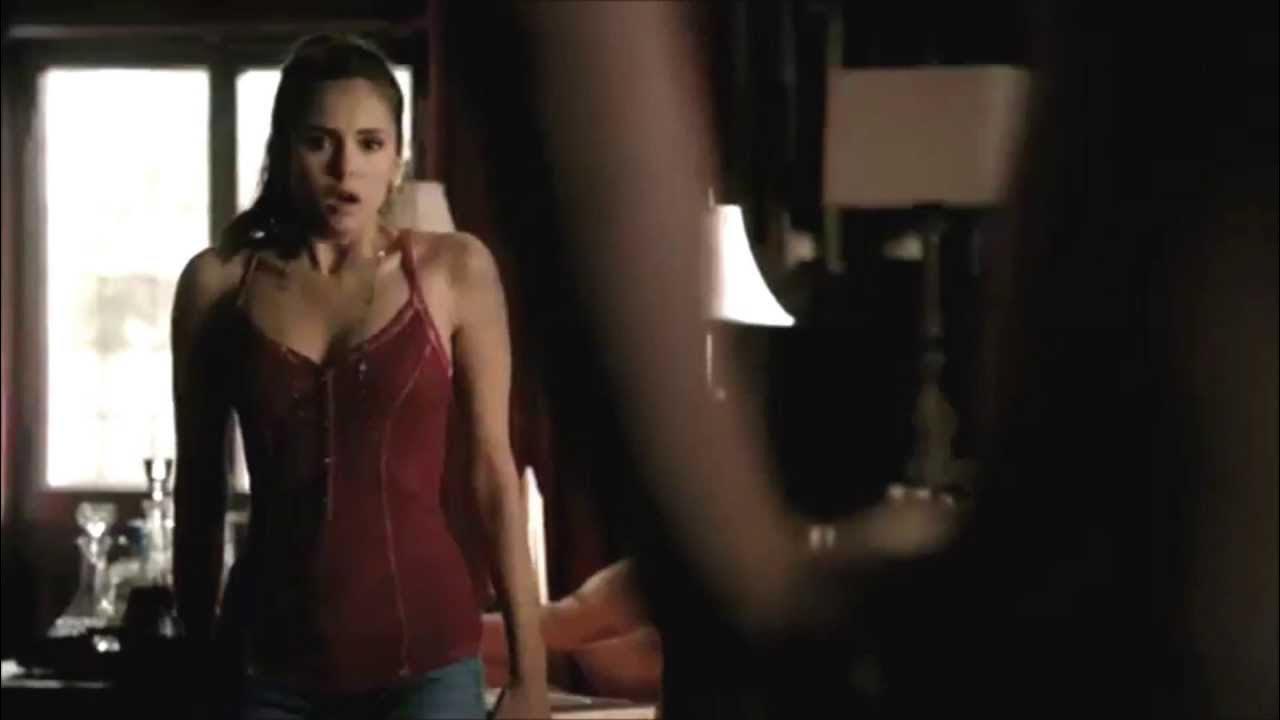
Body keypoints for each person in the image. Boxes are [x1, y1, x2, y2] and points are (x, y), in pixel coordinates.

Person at [171, 34, 549, 719]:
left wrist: (531, 674)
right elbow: (199, 490)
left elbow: (494, 475)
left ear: (397, 157)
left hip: (425, 665)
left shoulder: (455, 271)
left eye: (370, 143)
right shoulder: (218, 286)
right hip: (265, 665)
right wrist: (196, 660)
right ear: (284, 149)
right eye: (320, 142)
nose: (346, 167)